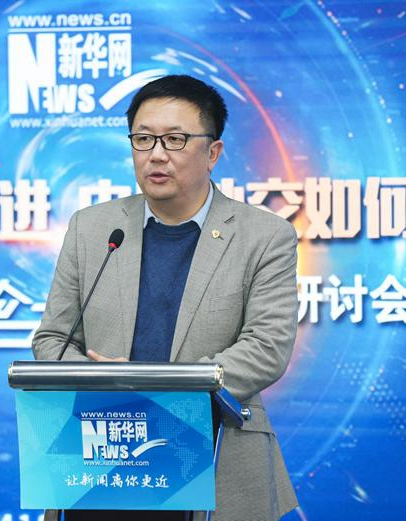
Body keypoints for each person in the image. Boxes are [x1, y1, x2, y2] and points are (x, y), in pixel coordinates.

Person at [32, 75, 299, 521]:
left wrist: (156, 391)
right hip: (101, 460)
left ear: (213, 152)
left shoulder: (264, 236)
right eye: (143, 139)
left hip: (211, 459)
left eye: (175, 139)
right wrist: (99, 382)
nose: (156, 154)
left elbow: (266, 348)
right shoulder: (92, 228)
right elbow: (53, 340)